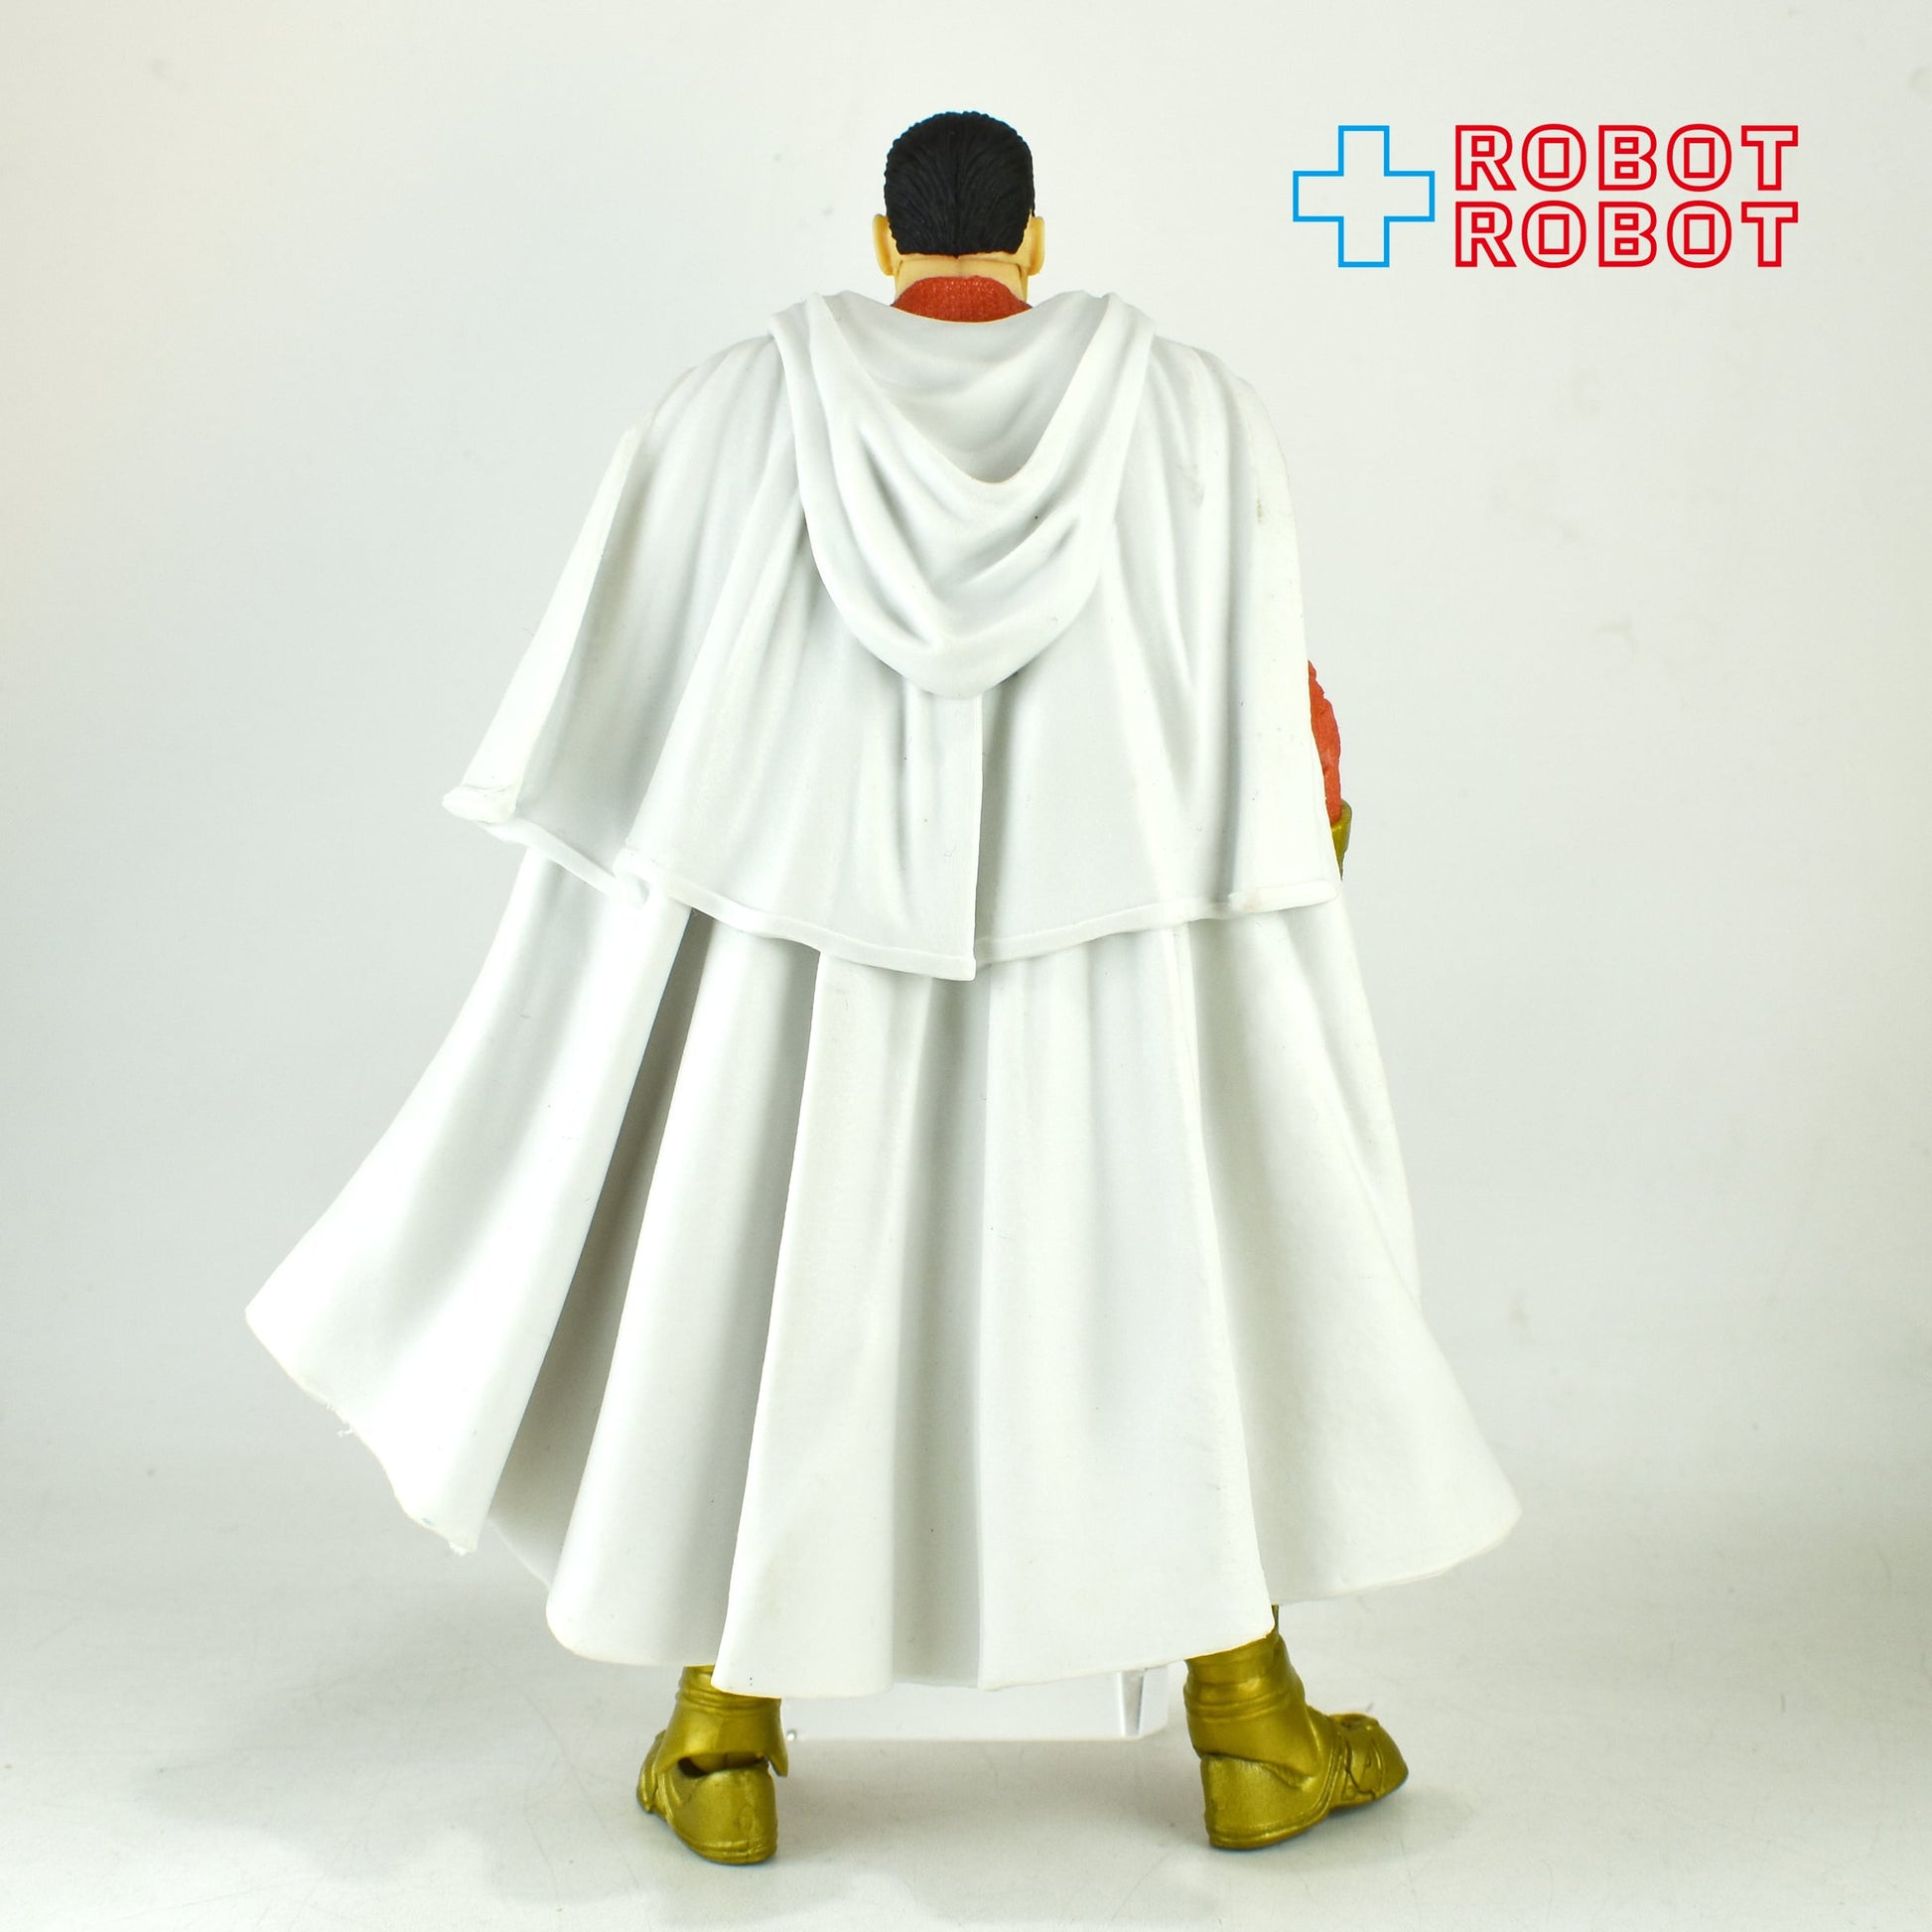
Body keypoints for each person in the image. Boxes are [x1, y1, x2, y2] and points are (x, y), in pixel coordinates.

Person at [246, 108, 1519, 1866]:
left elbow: (634, 685)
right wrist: (1291, 844)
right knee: (1155, 1300)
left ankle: (719, 1737)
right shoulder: (1186, 408)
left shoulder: (734, 406)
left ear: (883, 240)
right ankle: (1251, 1729)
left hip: (808, 956)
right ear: (1033, 241)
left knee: (773, 1296)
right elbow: (1263, 691)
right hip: (1109, 948)